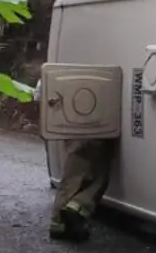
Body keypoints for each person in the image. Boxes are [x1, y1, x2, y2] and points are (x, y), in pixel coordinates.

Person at [35, 78, 117, 242]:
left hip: (69, 100)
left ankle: (59, 220)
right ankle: (78, 206)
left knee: (75, 163)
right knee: (98, 171)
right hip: (98, 99)